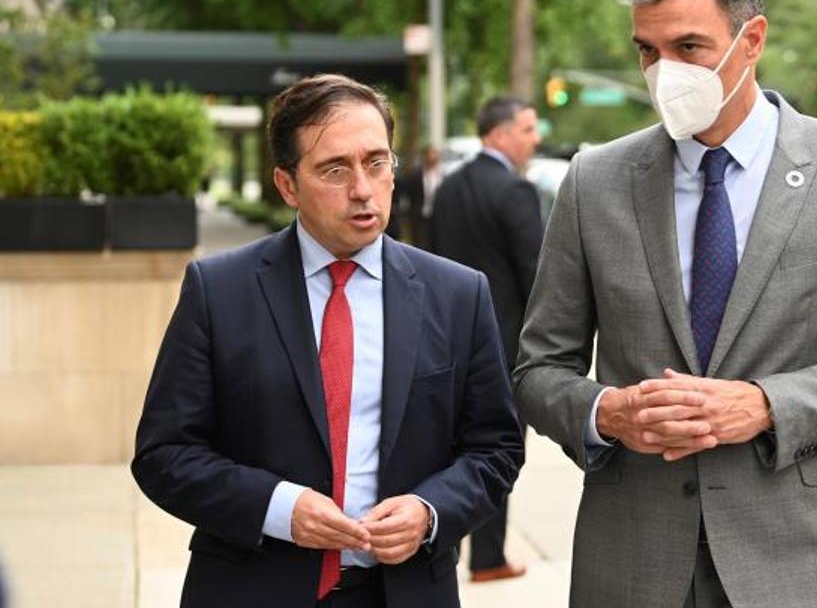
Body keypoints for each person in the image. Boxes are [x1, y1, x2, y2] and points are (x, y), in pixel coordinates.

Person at [512, 0, 817, 607]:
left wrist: (769, 405)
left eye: (688, 48)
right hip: (634, 563)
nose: (664, 73)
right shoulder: (595, 181)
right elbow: (538, 370)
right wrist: (609, 411)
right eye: (647, 51)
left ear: (752, 40)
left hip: (798, 561)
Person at [131, 74, 524, 608]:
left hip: (404, 591)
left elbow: (495, 449)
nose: (362, 188)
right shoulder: (219, 291)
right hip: (252, 588)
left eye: (376, 162)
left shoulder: (458, 293)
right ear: (287, 185)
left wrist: (430, 512)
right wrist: (277, 507)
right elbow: (164, 454)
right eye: (335, 170)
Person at [431, 96, 544, 582]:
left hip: (446, 337)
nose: (533, 138)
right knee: (498, 448)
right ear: (498, 135)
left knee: (449, 449)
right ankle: (490, 557)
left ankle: (444, 548)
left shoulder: (450, 187)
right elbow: (536, 274)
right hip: (502, 342)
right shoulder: (515, 191)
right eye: (526, 128)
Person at [404, 145, 442, 249]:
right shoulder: (416, 174)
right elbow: (410, 194)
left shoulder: (442, 175)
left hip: (437, 216)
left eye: (434, 154)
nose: (432, 157)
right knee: (420, 244)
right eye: (429, 154)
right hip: (419, 215)